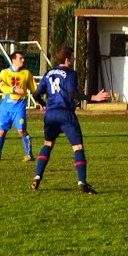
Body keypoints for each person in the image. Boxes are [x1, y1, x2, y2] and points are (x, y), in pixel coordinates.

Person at [30, 46, 95, 194]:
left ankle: (37, 176)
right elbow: (72, 93)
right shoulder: (71, 73)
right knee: (78, 147)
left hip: (50, 115)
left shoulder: (48, 74)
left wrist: (43, 104)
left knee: (48, 144)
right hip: (66, 115)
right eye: (72, 57)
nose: (73, 59)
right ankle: (82, 182)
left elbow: (35, 94)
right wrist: (92, 97)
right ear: (67, 60)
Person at [0, 50, 37, 162]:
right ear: (13, 60)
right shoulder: (4, 73)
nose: (23, 60)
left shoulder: (26, 74)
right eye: (20, 58)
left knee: (22, 130)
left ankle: (29, 154)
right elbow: (2, 87)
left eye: (23, 58)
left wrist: (40, 102)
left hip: (19, 106)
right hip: (6, 106)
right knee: (2, 131)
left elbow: (34, 89)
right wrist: (14, 89)